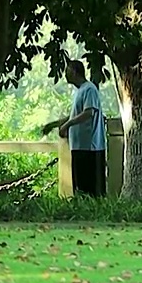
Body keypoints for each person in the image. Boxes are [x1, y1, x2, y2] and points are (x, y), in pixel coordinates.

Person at [39, 60, 107, 197]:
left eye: (67, 71)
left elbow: (88, 113)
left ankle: (93, 212)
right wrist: (52, 125)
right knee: (80, 185)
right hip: (79, 146)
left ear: (75, 72)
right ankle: (82, 209)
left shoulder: (89, 89)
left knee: (91, 187)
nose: (65, 74)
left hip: (90, 147)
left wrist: (67, 125)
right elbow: (73, 115)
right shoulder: (79, 92)